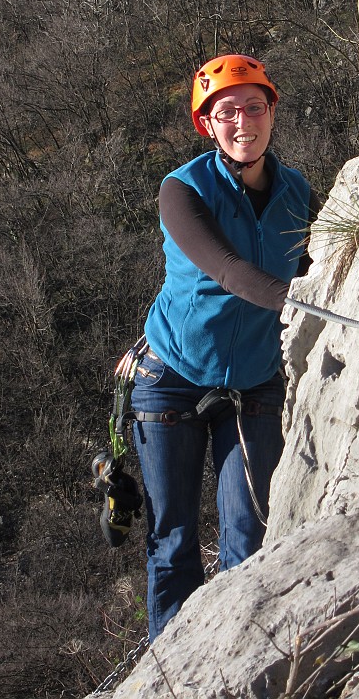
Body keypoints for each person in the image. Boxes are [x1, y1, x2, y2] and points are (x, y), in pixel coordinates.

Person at [131, 53, 317, 641]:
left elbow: (313, 265)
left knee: (249, 530)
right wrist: (307, 303)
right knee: (176, 539)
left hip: (254, 378)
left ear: (271, 113)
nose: (243, 121)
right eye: (227, 111)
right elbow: (229, 271)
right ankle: (172, 664)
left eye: (254, 107)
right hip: (173, 378)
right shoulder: (182, 192)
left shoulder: (297, 193)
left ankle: (240, 654)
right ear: (207, 126)